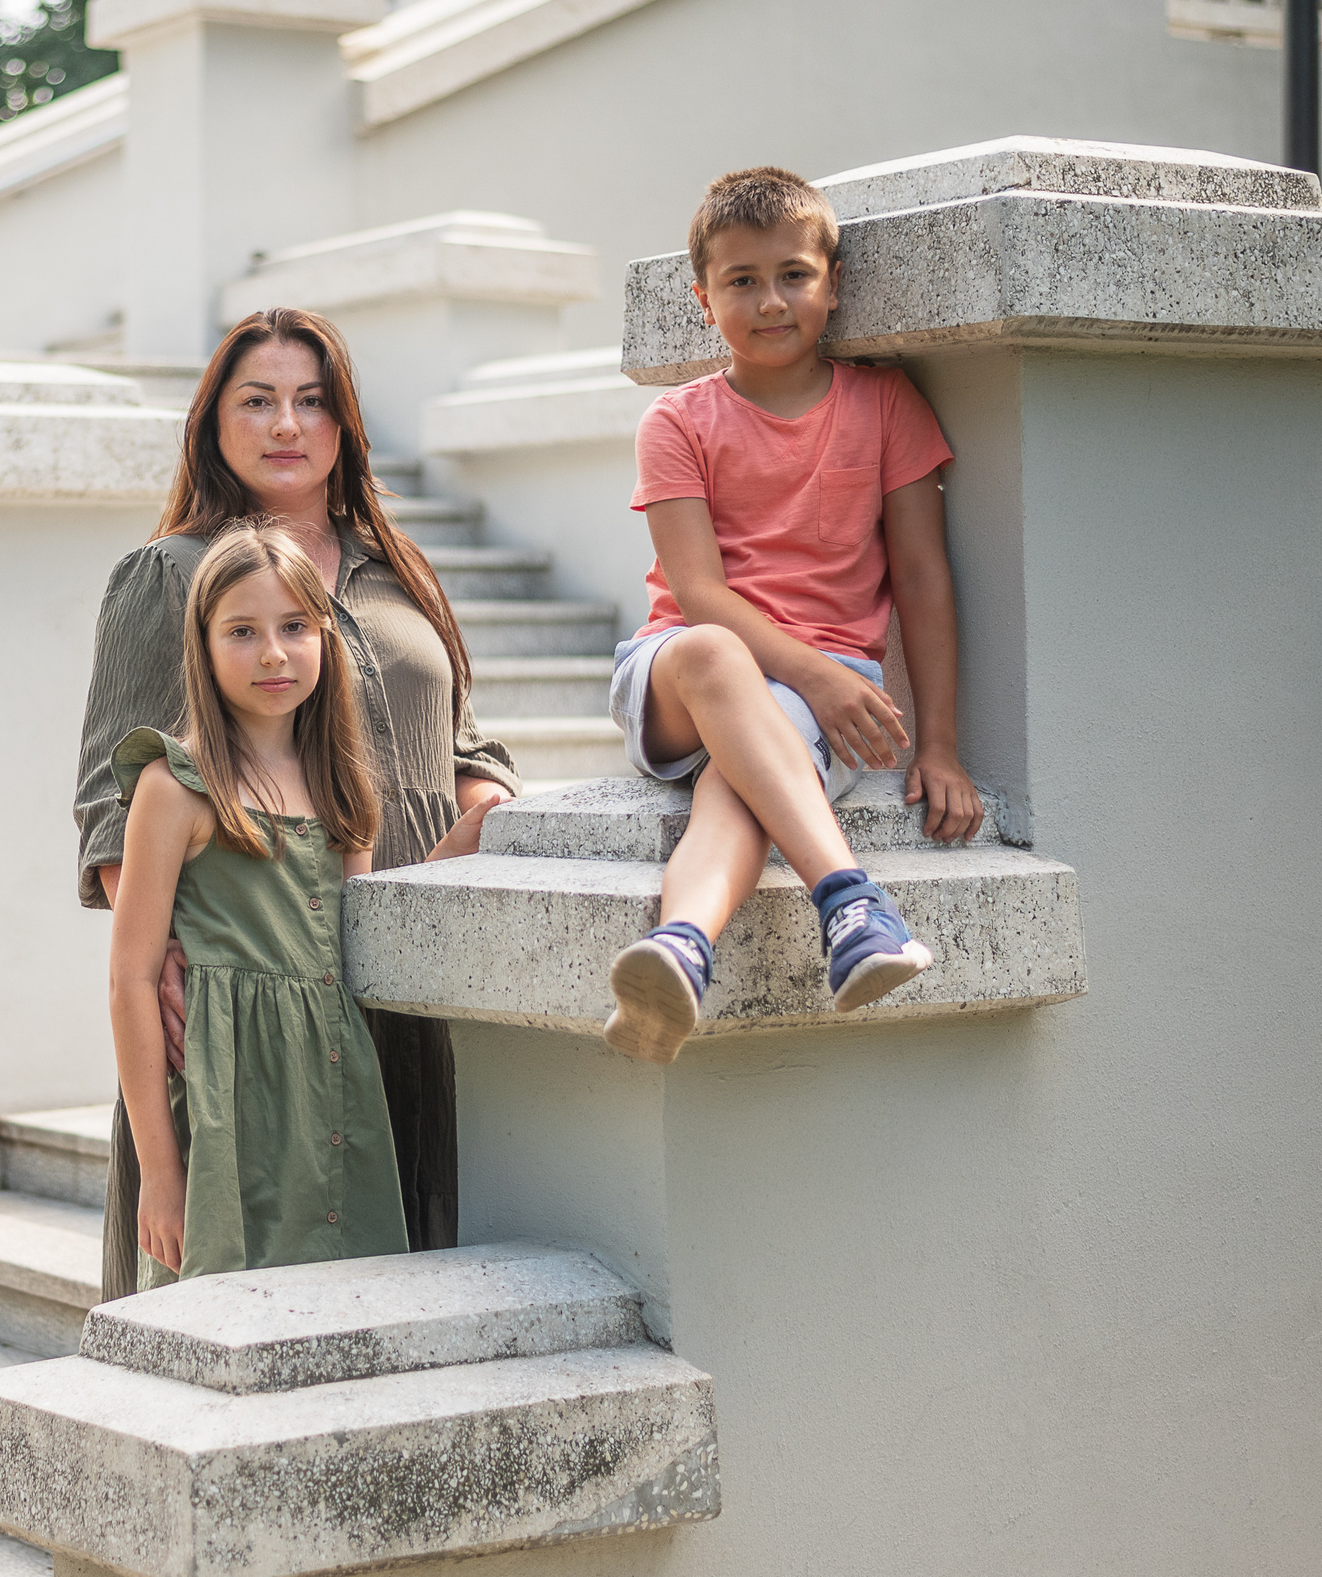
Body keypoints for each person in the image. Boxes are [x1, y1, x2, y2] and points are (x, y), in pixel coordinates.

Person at [75, 307, 518, 1299]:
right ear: (213, 422)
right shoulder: (171, 575)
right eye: (258, 400)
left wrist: (479, 818)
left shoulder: (394, 568)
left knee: (389, 1262)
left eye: (311, 400)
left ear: (344, 423)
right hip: (246, 1002)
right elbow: (109, 803)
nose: (287, 423)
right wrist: (170, 959)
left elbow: (467, 743)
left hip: (398, 975)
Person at [601, 166, 984, 1064]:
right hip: (680, 673)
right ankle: (850, 902)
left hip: (820, 695)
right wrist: (812, 669)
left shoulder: (885, 404)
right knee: (713, 655)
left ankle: (680, 949)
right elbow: (698, 593)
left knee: (734, 790)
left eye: (793, 274)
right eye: (741, 281)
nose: (770, 300)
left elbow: (925, 577)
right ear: (704, 299)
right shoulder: (677, 422)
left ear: (833, 281)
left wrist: (939, 745)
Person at [107, 522, 407, 1286]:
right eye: (242, 630)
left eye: (294, 627)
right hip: (225, 1113)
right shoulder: (175, 786)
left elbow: (353, 953)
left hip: (334, 1103)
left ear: (326, 639)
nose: (273, 652)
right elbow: (131, 980)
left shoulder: (344, 788)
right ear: (202, 646)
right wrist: (161, 1172)